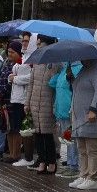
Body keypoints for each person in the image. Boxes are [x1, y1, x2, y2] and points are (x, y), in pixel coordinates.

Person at [69, 57, 97, 190]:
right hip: (80, 117)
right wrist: (70, 79)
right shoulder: (84, 69)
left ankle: (93, 178)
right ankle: (84, 174)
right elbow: (77, 89)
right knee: (82, 148)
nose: (80, 58)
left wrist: (93, 108)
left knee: (92, 149)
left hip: (93, 116)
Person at [26, 37, 59, 175]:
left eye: (40, 44)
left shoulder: (56, 62)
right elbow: (31, 84)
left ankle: (51, 161)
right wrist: (27, 103)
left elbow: (56, 84)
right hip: (35, 102)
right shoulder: (37, 62)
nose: (38, 46)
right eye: (37, 44)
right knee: (38, 134)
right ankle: (42, 160)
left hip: (48, 103)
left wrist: (51, 68)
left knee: (47, 134)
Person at [4, 41, 30, 164]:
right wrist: (11, 78)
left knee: (18, 127)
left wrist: (16, 79)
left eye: (12, 52)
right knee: (12, 127)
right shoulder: (16, 62)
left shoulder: (28, 60)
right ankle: (12, 153)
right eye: (8, 52)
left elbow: (30, 77)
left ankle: (17, 154)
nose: (9, 54)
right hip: (13, 97)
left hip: (22, 99)